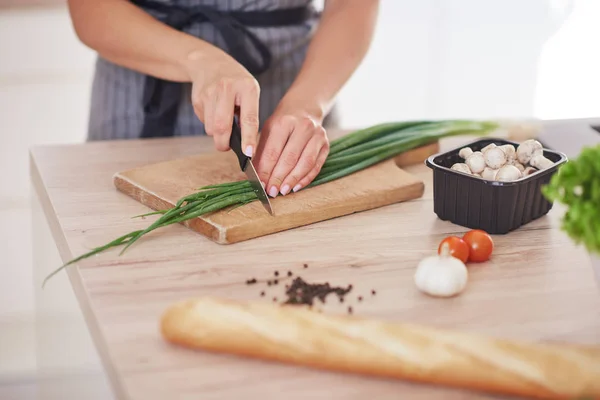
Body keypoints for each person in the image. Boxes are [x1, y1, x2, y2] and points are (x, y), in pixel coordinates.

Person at [67, 0, 380, 197]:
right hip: (136, 98)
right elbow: (88, 9)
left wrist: (307, 104)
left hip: (294, 83)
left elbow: (351, 5)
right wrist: (199, 60)